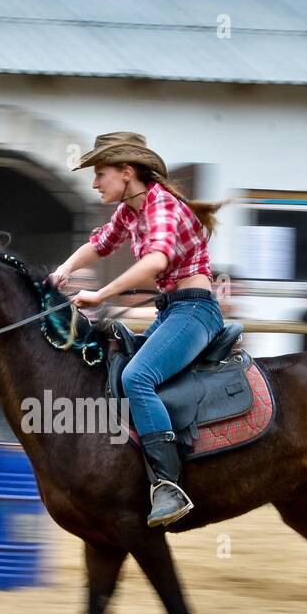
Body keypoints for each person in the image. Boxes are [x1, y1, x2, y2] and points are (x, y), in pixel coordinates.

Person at [49, 132, 226, 527]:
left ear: (126, 173)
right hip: (173, 311)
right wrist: (62, 272)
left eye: (100, 173)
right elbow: (100, 244)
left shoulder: (162, 208)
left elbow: (155, 263)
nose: (95, 183)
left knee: (137, 377)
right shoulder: (132, 211)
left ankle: (168, 485)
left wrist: (101, 293)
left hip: (195, 312)